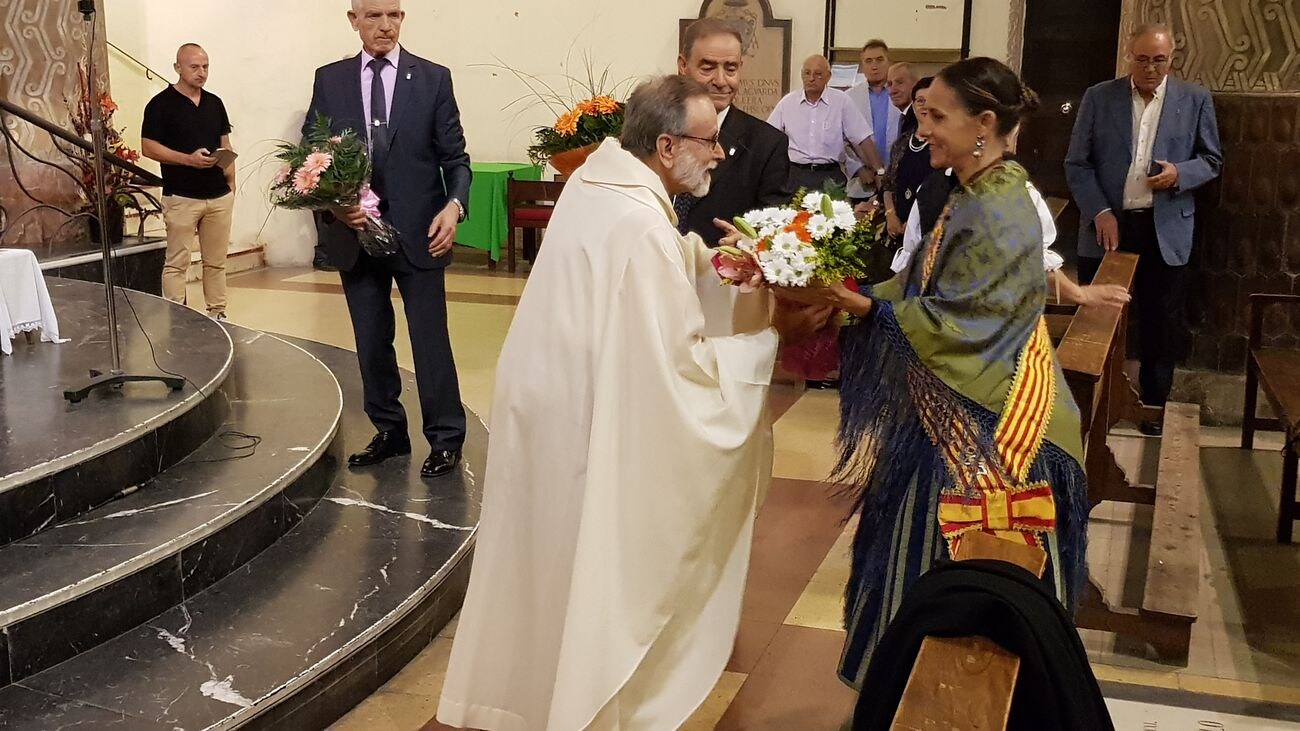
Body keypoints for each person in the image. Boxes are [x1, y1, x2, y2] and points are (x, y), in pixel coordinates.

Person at [437, 75, 830, 730]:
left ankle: (540, 705)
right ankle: (585, 710)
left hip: (549, 407)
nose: (721, 155)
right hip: (584, 421)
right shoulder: (637, 219)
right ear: (668, 143)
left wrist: (732, 269)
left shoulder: (600, 184)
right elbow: (677, 372)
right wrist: (768, 337)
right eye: (710, 142)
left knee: (548, 571)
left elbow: (672, 269)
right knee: (592, 568)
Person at [768, 57, 1091, 687]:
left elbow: (958, 327)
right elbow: (921, 286)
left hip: (998, 431)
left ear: (985, 123)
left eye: (937, 117)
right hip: (959, 406)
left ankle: (933, 700)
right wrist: (845, 295)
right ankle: (900, 695)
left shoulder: (1000, 210)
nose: (925, 132)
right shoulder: (978, 190)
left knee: (955, 598)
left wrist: (857, 305)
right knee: (903, 558)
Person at [304, 0, 470, 477]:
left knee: (430, 339)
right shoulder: (329, 79)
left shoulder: (434, 78)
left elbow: (456, 160)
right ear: (353, 19)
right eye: (374, 15)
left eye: (394, 15)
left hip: (422, 232)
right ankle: (389, 431)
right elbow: (311, 156)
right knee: (371, 339)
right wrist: (335, 204)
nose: (385, 25)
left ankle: (445, 437)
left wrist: (453, 207)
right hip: (354, 233)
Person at [1064, 23, 1222, 433]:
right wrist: (1099, 211)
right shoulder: (1099, 97)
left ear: (1172, 59)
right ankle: (1090, 403)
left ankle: (1152, 405)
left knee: (1160, 319)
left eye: (1159, 60)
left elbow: (1211, 159)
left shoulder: (1195, 99)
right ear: (1129, 57)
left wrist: (1178, 174)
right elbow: (1076, 163)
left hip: (1165, 225)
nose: (1151, 68)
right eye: (1142, 59)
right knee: (1098, 318)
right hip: (1109, 225)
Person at [674, 17, 792, 246]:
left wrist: (751, 241)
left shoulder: (766, 145)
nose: (721, 81)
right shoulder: (658, 129)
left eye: (731, 68)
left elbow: (776, 228)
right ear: (683, 65)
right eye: (707, 67)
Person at [142, 43, 235, 321]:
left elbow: (225, 144)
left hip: (218, 196)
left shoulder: (214, 103)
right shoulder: (161, 105)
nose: (202, 72)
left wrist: (231, 184)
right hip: (181, 196)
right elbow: (148, 147)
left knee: (216, 262)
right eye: (194, 66)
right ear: (177, 68)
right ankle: (176, 314)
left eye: (205, 66)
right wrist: (188, 159)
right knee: (177, 263)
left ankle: (218, 313)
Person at [768, 55, 881, 193]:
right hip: (795, 175)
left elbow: (862, 138)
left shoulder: (841, 101)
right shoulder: (788, 103)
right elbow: (769, 138)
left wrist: (879, 171)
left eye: (818, 74)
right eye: (807, 73)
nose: (811, 78)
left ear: (828, 76)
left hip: (830, 175)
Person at [848, 59, 914, 203]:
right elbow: (843, 140)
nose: (893, 89)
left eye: (900, 83)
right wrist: (858, 167)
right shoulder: (849, 96)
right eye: (868, 61)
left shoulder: (918, 120)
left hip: (904, 191)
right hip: (867, 182)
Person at [881, 74, 930, 241]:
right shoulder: (902, 142)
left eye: (930, 101)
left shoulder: (944, 146)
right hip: (896, 228)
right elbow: (888, 184)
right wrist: (890, 215)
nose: (925, 107)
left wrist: (913, 224)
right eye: (920, 101)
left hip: (927, 231)